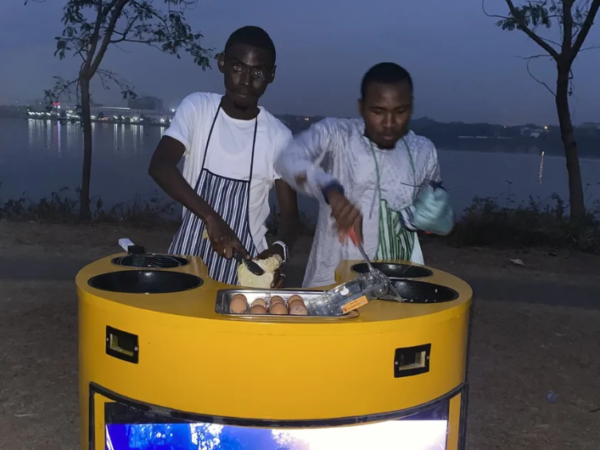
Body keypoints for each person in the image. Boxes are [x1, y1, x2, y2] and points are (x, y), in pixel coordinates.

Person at [275, 62, 453, 288]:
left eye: (400, 112)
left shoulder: (423, 151)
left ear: (411, 107)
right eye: (378, 111)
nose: (389, 124)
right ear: (362, 107)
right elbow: (288, 159)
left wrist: (433, 218)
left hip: (398, 283)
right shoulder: (337, 135)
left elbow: (433, 203)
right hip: (332, 281)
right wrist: (330, 189)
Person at [149, 26, 299, 286]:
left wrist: (277, 252)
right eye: (238, 67)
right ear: (221, 63)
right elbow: (160, 165)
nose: (245, 80)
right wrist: (212, 219)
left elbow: (291, 216)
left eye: (258, 72)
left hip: (246, 264)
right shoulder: (198, 109)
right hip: (188, 257)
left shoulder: (279, 137)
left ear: (271, 75)